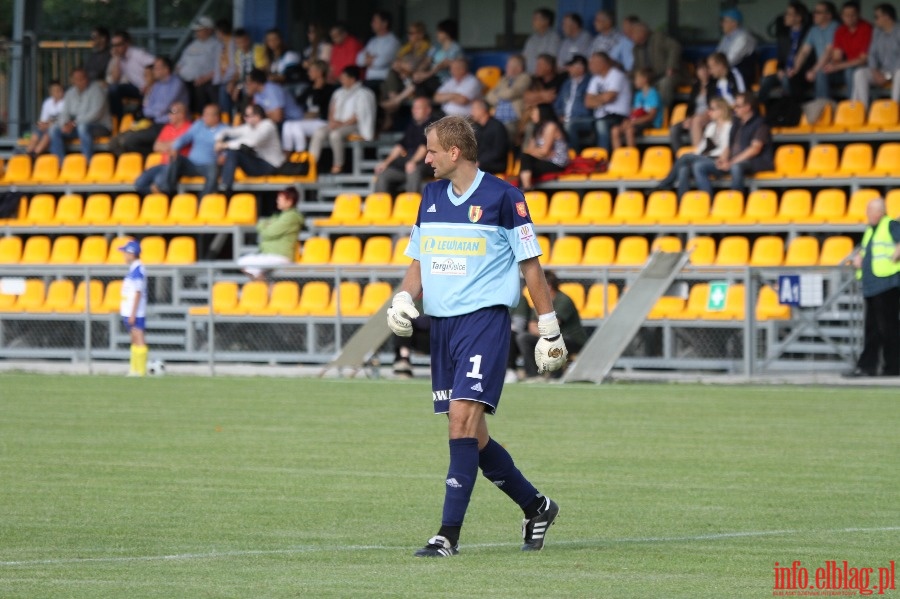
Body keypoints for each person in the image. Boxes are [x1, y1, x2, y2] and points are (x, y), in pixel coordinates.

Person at [386, 114, 566, 558]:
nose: (424, 158)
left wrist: (549, 327)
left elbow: (530, 266)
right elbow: (419, 260)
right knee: (474, 436)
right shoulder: (429, 196)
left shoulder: (505, 196)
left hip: (483, 323)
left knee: (461, 421)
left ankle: (447, 535)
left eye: (430, 150)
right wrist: (404, 300)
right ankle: (536, 506)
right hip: (444, 327)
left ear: (454, 152)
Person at [844, 197, 900, 377]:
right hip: (873, 285)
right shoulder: (871, 230)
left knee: (886, 328)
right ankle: (877, 367)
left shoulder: (890, 225)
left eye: (870, 210)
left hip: (886, 284)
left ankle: (884, 367)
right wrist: (859, 258)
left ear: (880, 211)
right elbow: (868, 250)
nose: (867, 214)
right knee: (875, 328)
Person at [693, 92, 774, 196]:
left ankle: (734, 201)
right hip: (733, 161)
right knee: (699, 166)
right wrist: (723, 159)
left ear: (748, 107)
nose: (734, 109)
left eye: (738, 106)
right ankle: (708, 201)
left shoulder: (760, 123)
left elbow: (755, 149)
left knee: (736, 167)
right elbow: (729, 145)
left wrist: (732, 162)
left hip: (754, 162)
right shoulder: (736, 122)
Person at [109, 56, 189, 156]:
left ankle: (150, 159)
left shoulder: (177, 83)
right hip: (155, 123)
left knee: (129, 140)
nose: (154, 71)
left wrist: (154, 111)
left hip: (169, 125)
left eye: (156, 68)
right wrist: (155, 111)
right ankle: (134, 162)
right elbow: (146, 109)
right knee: (115, 141)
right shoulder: (157, 85)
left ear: (166, 69)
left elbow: (163, 107)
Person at [514, 271, 587, 381]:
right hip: (545, 335)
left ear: (548, 286)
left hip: (572, 339)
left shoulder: (563, 300)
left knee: (553, 338)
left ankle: (555, 377)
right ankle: (533, 376)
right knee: (523, 338)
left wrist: (542, 332)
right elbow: (532, 325)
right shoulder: (540, 300)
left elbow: (553, 325)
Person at [656, 97, 733, 199]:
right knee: (684, 168)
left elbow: (726, 148)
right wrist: (696, 156)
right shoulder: (711, 126)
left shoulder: (730, 126)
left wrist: (696, 157)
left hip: (719, 160)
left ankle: (665, 184)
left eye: (712, 109)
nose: (708, 111)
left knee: (686, 157)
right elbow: (702, 148)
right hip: (705, 158)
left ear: (721, 110)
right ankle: (682, 203)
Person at [308, 65, 376, 175]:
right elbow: (332, 109)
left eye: (344, 77)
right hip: (337, 123)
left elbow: (358, 116)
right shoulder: (338, 92)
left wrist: (341, 124)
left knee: (335, 135)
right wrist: (332, 121)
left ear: (352, 79)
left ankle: (338, 164)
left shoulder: (363, 94)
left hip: (353, 126)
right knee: (319, 132)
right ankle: (311, 164)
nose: (341, 79)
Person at [237, 186, 304, 281]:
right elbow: (262, 224)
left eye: (280, 199)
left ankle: (267, 290)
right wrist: (264, 225)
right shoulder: (278, 216)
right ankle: (267, 289)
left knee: (245, 263)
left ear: (289, 201)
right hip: (270, 254)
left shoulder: (291, 217)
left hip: (282, 256)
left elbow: (268, 232)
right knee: (247, 265)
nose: (277, 201)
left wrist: (265, 226)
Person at [215, 103, 285, 193]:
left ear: (257, 116)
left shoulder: (268, 125)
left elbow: (251, 142)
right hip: (258, 162)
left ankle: (225, 187)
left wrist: (225, 145)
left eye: (247, 115)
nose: (245, 118)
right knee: (233, 149)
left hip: (271, 165)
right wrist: (218, 141)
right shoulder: (249, 127)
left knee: (234, 151)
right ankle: (224, 184)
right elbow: (227, 131)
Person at [48, 67, 112, 162]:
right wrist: (64, 124)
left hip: (100, 127)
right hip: (76, 126)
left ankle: (87, 162)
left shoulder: (97, 90)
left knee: (83, 127)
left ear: (87, 78)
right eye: (77, 80)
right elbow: (65, 113)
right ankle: (60, 164)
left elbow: (95, 114)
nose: (81, 81)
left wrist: (74, 124)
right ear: (72, 81)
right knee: (54, 129)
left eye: (83, 78)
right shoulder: (70, 93)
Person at [373, 96, 435, 194]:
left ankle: (410, 206)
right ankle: (381, 206)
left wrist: (413, 162)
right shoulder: (412, 125)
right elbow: (400, 145)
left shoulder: (433, 125)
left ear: (428, 110)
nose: (414, 111)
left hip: (425, 163)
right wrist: (386, 163)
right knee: (383, 174)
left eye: (418, 108)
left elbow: (424, 147)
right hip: (407, 163)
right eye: (413, 108)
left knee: (413, 170)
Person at [165, 103, 225, 197]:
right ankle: (169, 192)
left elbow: (230, 147)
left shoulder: (224, 129)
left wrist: (224, 156)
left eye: (207, 115)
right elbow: (184, 138)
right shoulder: (199, 125)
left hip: (209, 165)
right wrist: (175, 147)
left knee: (213, 170)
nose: (204, 117)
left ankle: (203, 200)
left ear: (216, 117)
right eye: (204, 114)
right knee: (175, 158)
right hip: (191, 164)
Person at [134, 101, 193, 196]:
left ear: (182, 114)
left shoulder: (189, 128)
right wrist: (172, 144)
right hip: (163, 164)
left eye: (172, 112)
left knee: (159, 181)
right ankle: (159, 194)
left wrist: (167, 144)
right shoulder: (167, 128)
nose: (169, 114)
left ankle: (163, 198)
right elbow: (156, 146)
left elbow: (178, 144)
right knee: (139, 183)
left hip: (178, 166)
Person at [758, 2, 812, 104]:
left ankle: (790, 109)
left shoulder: (807, 35)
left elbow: (809, 59)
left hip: (800, 74)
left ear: (798, 17)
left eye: (789, 14)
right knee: (765, 80)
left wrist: (794, 71)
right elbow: (781, 58)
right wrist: (780, 70)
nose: (785, 17)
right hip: (785, 72)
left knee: (787, 80)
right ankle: (761, 109)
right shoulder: (784, 35)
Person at [281, 60, 335, 153]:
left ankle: (301, 155)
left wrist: (318, 88)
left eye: (311, 70)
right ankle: (288, 156)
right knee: (287, 125)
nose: (308, 73)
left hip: (322, 121)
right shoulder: (310, 88)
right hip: (308, 121)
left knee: (297, 126)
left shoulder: (329, 89)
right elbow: (298, 100)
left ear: (319, 72)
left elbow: (322, 104)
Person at [851, 3, 900, 107]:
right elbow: (872, 54)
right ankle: (862, 110)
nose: (875, 20)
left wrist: (887, 76)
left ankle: (895, 109)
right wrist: (874, 71)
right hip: (882, 71)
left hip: (896, 71)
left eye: (877, 17)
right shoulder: (877, 32)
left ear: (886, 17)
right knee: (859, 73)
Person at [822, 1, 873, 97]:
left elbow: (862, 60)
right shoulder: (840, 31)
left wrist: (838, 66)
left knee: (850, 72)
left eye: (852, 15)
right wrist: (832, 65)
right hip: (845, 66)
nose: (849, 18)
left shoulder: (866, 28)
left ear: (858, 15)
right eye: (846, 15)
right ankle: (822, 105)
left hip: (863, 68)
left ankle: (852, 107)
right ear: (841, 16)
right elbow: (837, 57)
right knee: (823, 72)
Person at [628, 21, 683, 109]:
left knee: (665, 83)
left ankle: (662, 113)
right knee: (629, 83)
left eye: (632, 34)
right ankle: (636, 114)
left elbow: (675, 47)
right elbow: (636, 68)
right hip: (650, 78)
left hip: (670, 74)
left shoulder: (658, 38)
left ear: (641, 32)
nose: (630, 37)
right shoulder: (636, 49)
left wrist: (671, 67)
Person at [792, 1, 841, 99]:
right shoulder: (814, 30)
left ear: (828, 15)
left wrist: (814, 70)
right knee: (792, 76)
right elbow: (804, 52)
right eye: (814, 12)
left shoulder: (835, 27)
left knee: (820, 73)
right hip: (822, 67)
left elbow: (828, 52)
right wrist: (795, 68)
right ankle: (796, 109)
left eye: (818, 12)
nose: (814, 14)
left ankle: (822, 106)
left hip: (837, 69)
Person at [585, 51, 632, 153]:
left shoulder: (616, 75)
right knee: (571, 125)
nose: (590, 66)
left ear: (603, 63)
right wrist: (602, 98)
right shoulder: (595, 79)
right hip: (600, 116)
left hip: (618, 116)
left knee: (601, 124)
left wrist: (596, 98)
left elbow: (610, 98)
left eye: (593, 63)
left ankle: (603, 158)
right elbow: (587, 102)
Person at [105, 30, 156, 120]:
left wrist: (149, 84)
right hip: (138, 88)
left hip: (151, 88)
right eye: (113, 45)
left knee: (141, 115)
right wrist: (116, 58)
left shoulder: (138, 54)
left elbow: (155, 65)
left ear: (127, 43)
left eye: (119, 45)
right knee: (113, 89)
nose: (116, 48)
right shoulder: (120, 58)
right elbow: (115, 80)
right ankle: (117, 120)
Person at [176, 16, 221, 114]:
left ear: (209, 30)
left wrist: (205, 79)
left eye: (199, 30)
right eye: (196, 30)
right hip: (185, 80)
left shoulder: (217, 45)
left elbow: (219, 67)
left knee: (200, 93)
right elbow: (180, 64)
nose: (197, 32)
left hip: (204, 82)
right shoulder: (192, 45)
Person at [517, 103, 568, 190]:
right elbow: (528, 150)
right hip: (544, 159)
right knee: (525, 159)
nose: (532, 116)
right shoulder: (537, 128)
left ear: (542, 113)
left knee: (525, 165)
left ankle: (526, 190)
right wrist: (539, 152)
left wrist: (537, 152)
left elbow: (544, 151)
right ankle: (525, 189)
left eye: (534, 113)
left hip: (556, 162)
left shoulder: (551, 126)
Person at [485, 54, 531, 147]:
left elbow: (511, 93)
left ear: (519, 68)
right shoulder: (504, 79)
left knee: (499, 135)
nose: (506, 68)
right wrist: (503, 93)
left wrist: (498, 93)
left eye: (509, 66)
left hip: (513, 121)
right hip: (497, 120)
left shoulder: (525, 77)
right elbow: (489, 96)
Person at [222, 28, 269, 118]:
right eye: (238, 42)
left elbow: (260, 71)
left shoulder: (258, 49)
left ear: (248, 39)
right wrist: (232, 82)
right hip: (244, 81)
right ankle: (228, 117)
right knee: (226, 89)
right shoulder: (238, 53)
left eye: (243, 41)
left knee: (245, 92)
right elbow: (238, 72)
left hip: (256, 81)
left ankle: (244, 117)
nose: (242, 45)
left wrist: (240, 86)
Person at [611, 67, 662, 150]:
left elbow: (651, 116)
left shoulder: (653, 93)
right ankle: (618, 158)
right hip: (636, 122)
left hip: (651, 123)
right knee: (615, 130)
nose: (635, 81)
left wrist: (633, 122)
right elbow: (634, 112)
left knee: (629, 130)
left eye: (637, 79)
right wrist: (628, 121)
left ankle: (631, 158)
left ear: (645, 80)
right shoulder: (638, 94)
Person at [119, 239, 148, 377]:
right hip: (129, 310)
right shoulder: (133, 269)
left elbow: (138, 292)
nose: (124, 255)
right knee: (134, 339)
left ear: (132, 254)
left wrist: (133, 313)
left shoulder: (138, 269)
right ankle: (134, 369)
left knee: (139, 338)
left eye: (125, 252)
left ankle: (140, 371)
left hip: (135, 312)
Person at [242, 68, 304, 132]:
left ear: (256, 83)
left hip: (295, 120)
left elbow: (278, 117)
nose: (246, 86)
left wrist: (260, 116)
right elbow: (258, 114)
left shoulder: (272, 89)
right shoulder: (257, 94)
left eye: (248, 83)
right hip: (284, 123)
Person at [553, 54, 593, 152]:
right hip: (566, 119)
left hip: (585, 119)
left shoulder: (590, 82)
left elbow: (590, 108)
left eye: (571, 66)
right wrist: (559, 115)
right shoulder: (567, 83)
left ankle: (573, 155)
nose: (568, 69)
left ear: (581, 68)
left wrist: (569, 118)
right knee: (549, 126)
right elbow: (557, 104)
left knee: (569, 125)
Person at [356, 10, 401, 96]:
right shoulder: (372, 41)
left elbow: (380, 62)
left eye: (375, 21)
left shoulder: (393, 41)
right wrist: (372, 59)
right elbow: (359, 60)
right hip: (369, 80)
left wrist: (369, 59)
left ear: (384, 24)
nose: (372, 24)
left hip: (383, 81)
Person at [717, 8, 758, 88]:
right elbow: (717, 55)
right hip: (726, 73)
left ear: (734, 23)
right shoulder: (726, 37)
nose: (722, 24)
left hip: (740, 76)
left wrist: (715, 68)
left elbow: (730, 60)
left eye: (725, 21)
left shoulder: (743, 37)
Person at [23, 79, 65, 158]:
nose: (58, 92)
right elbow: (43, 120)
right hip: (47, 127)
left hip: (58, 129)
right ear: (51, 92)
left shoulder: (66, 102)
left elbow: (62, 120)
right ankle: (27, 153)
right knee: (36, 134)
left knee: (48, 134)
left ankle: (35, 154)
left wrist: (49, 124)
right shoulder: (47, 103)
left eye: (59, 90)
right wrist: (43, 125)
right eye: (55, 90)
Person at [470, 98, 509, 175]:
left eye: (474, 109)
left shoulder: (497, 126)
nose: (471, 112)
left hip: (496, 164)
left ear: (483, 110)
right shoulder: (476, 128)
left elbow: (499, 152)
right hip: (479, 163)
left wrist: (480, 162)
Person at [523, 7, 561, 74]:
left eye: (536, 19)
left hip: (544, 77)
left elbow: (550, 61)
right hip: (529, 75)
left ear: (546, 21)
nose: (533, 22)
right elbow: (524, 57)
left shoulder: (554, 38)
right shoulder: (532, 39)